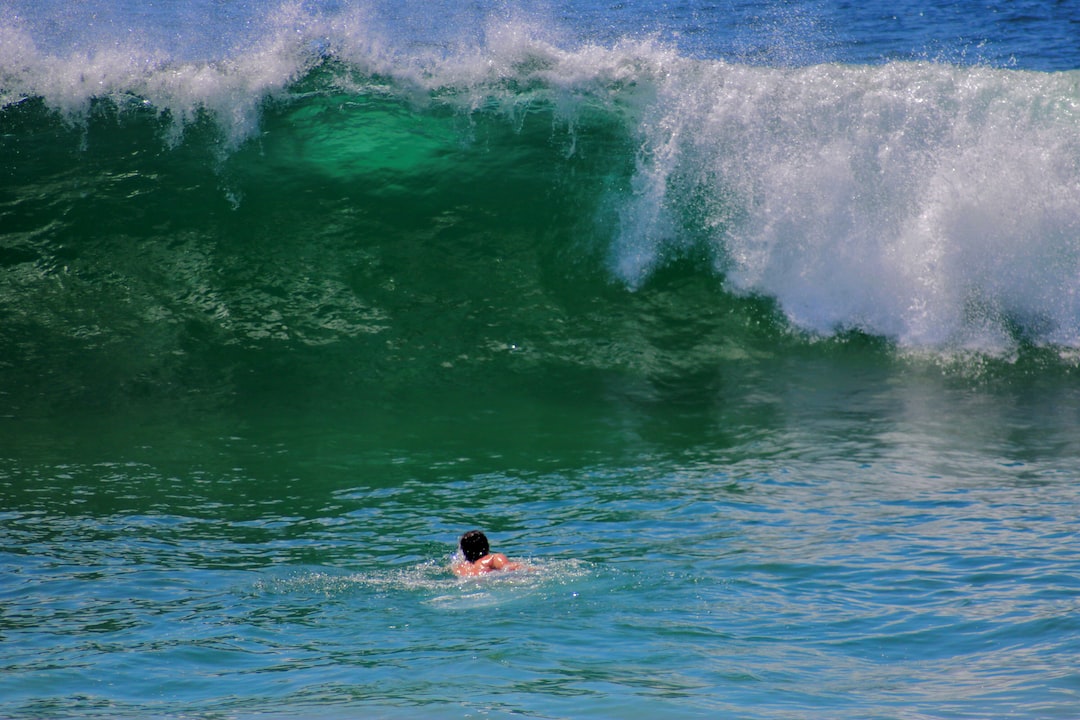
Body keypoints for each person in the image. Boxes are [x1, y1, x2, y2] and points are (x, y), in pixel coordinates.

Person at [452, 529, 524, 577]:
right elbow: (510, 568)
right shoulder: (493, 558)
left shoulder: (459, 568)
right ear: (486, 546)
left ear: (463, 551)